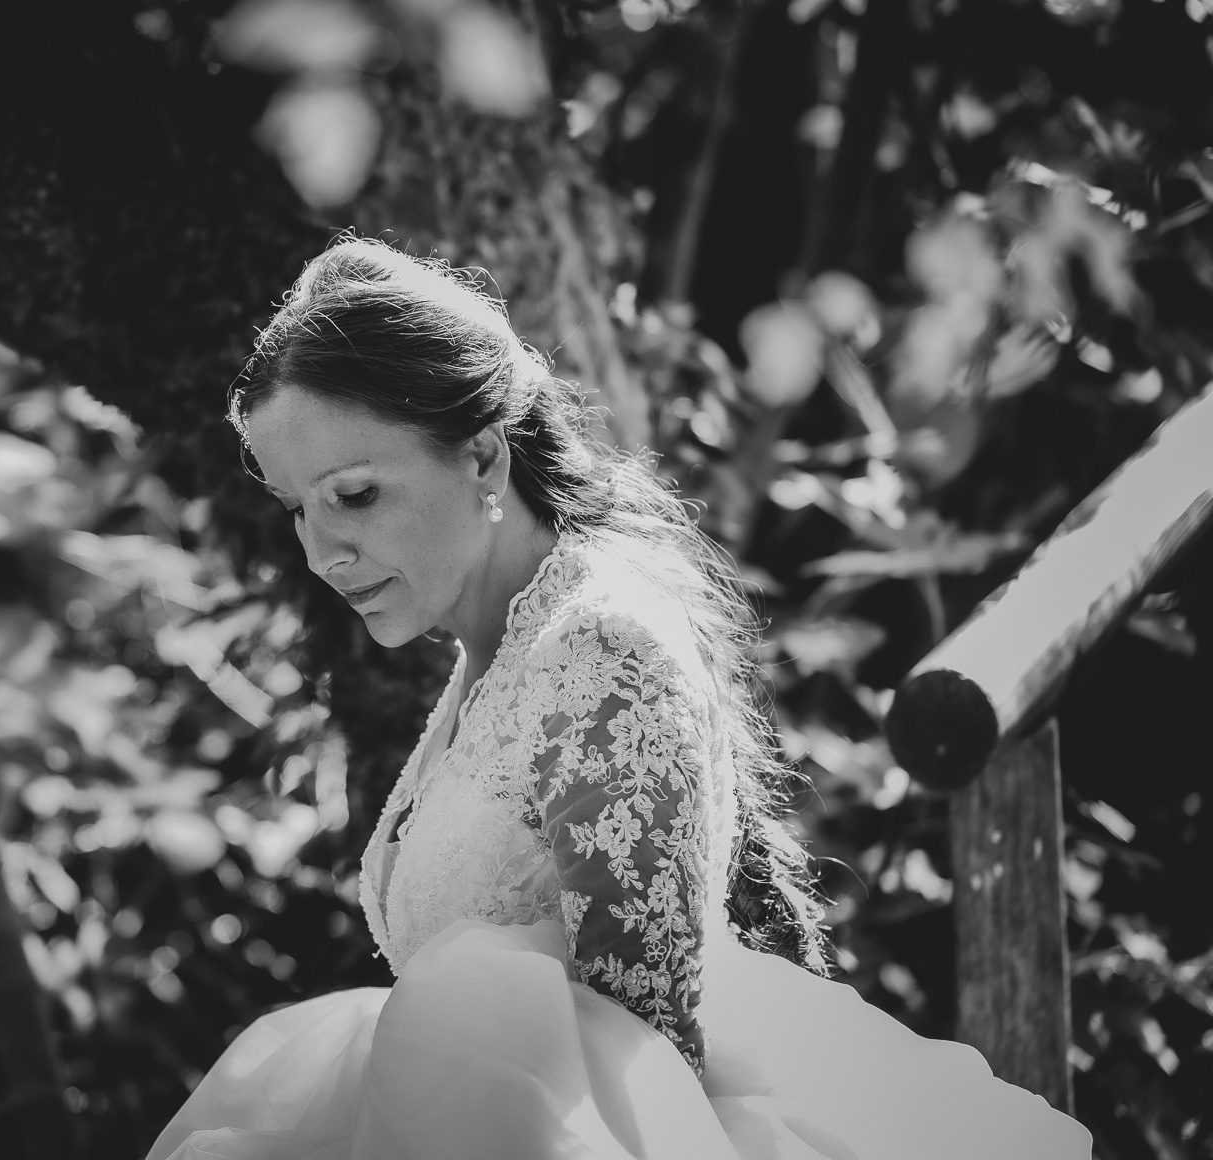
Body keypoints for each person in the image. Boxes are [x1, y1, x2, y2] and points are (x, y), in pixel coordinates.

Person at [146, 238, 1090, 1159]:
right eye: (295, 508)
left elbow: (642, 1076)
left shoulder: (603, 653)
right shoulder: (506, 640)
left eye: (354, 495)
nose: (321, 553)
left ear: (482, 457)